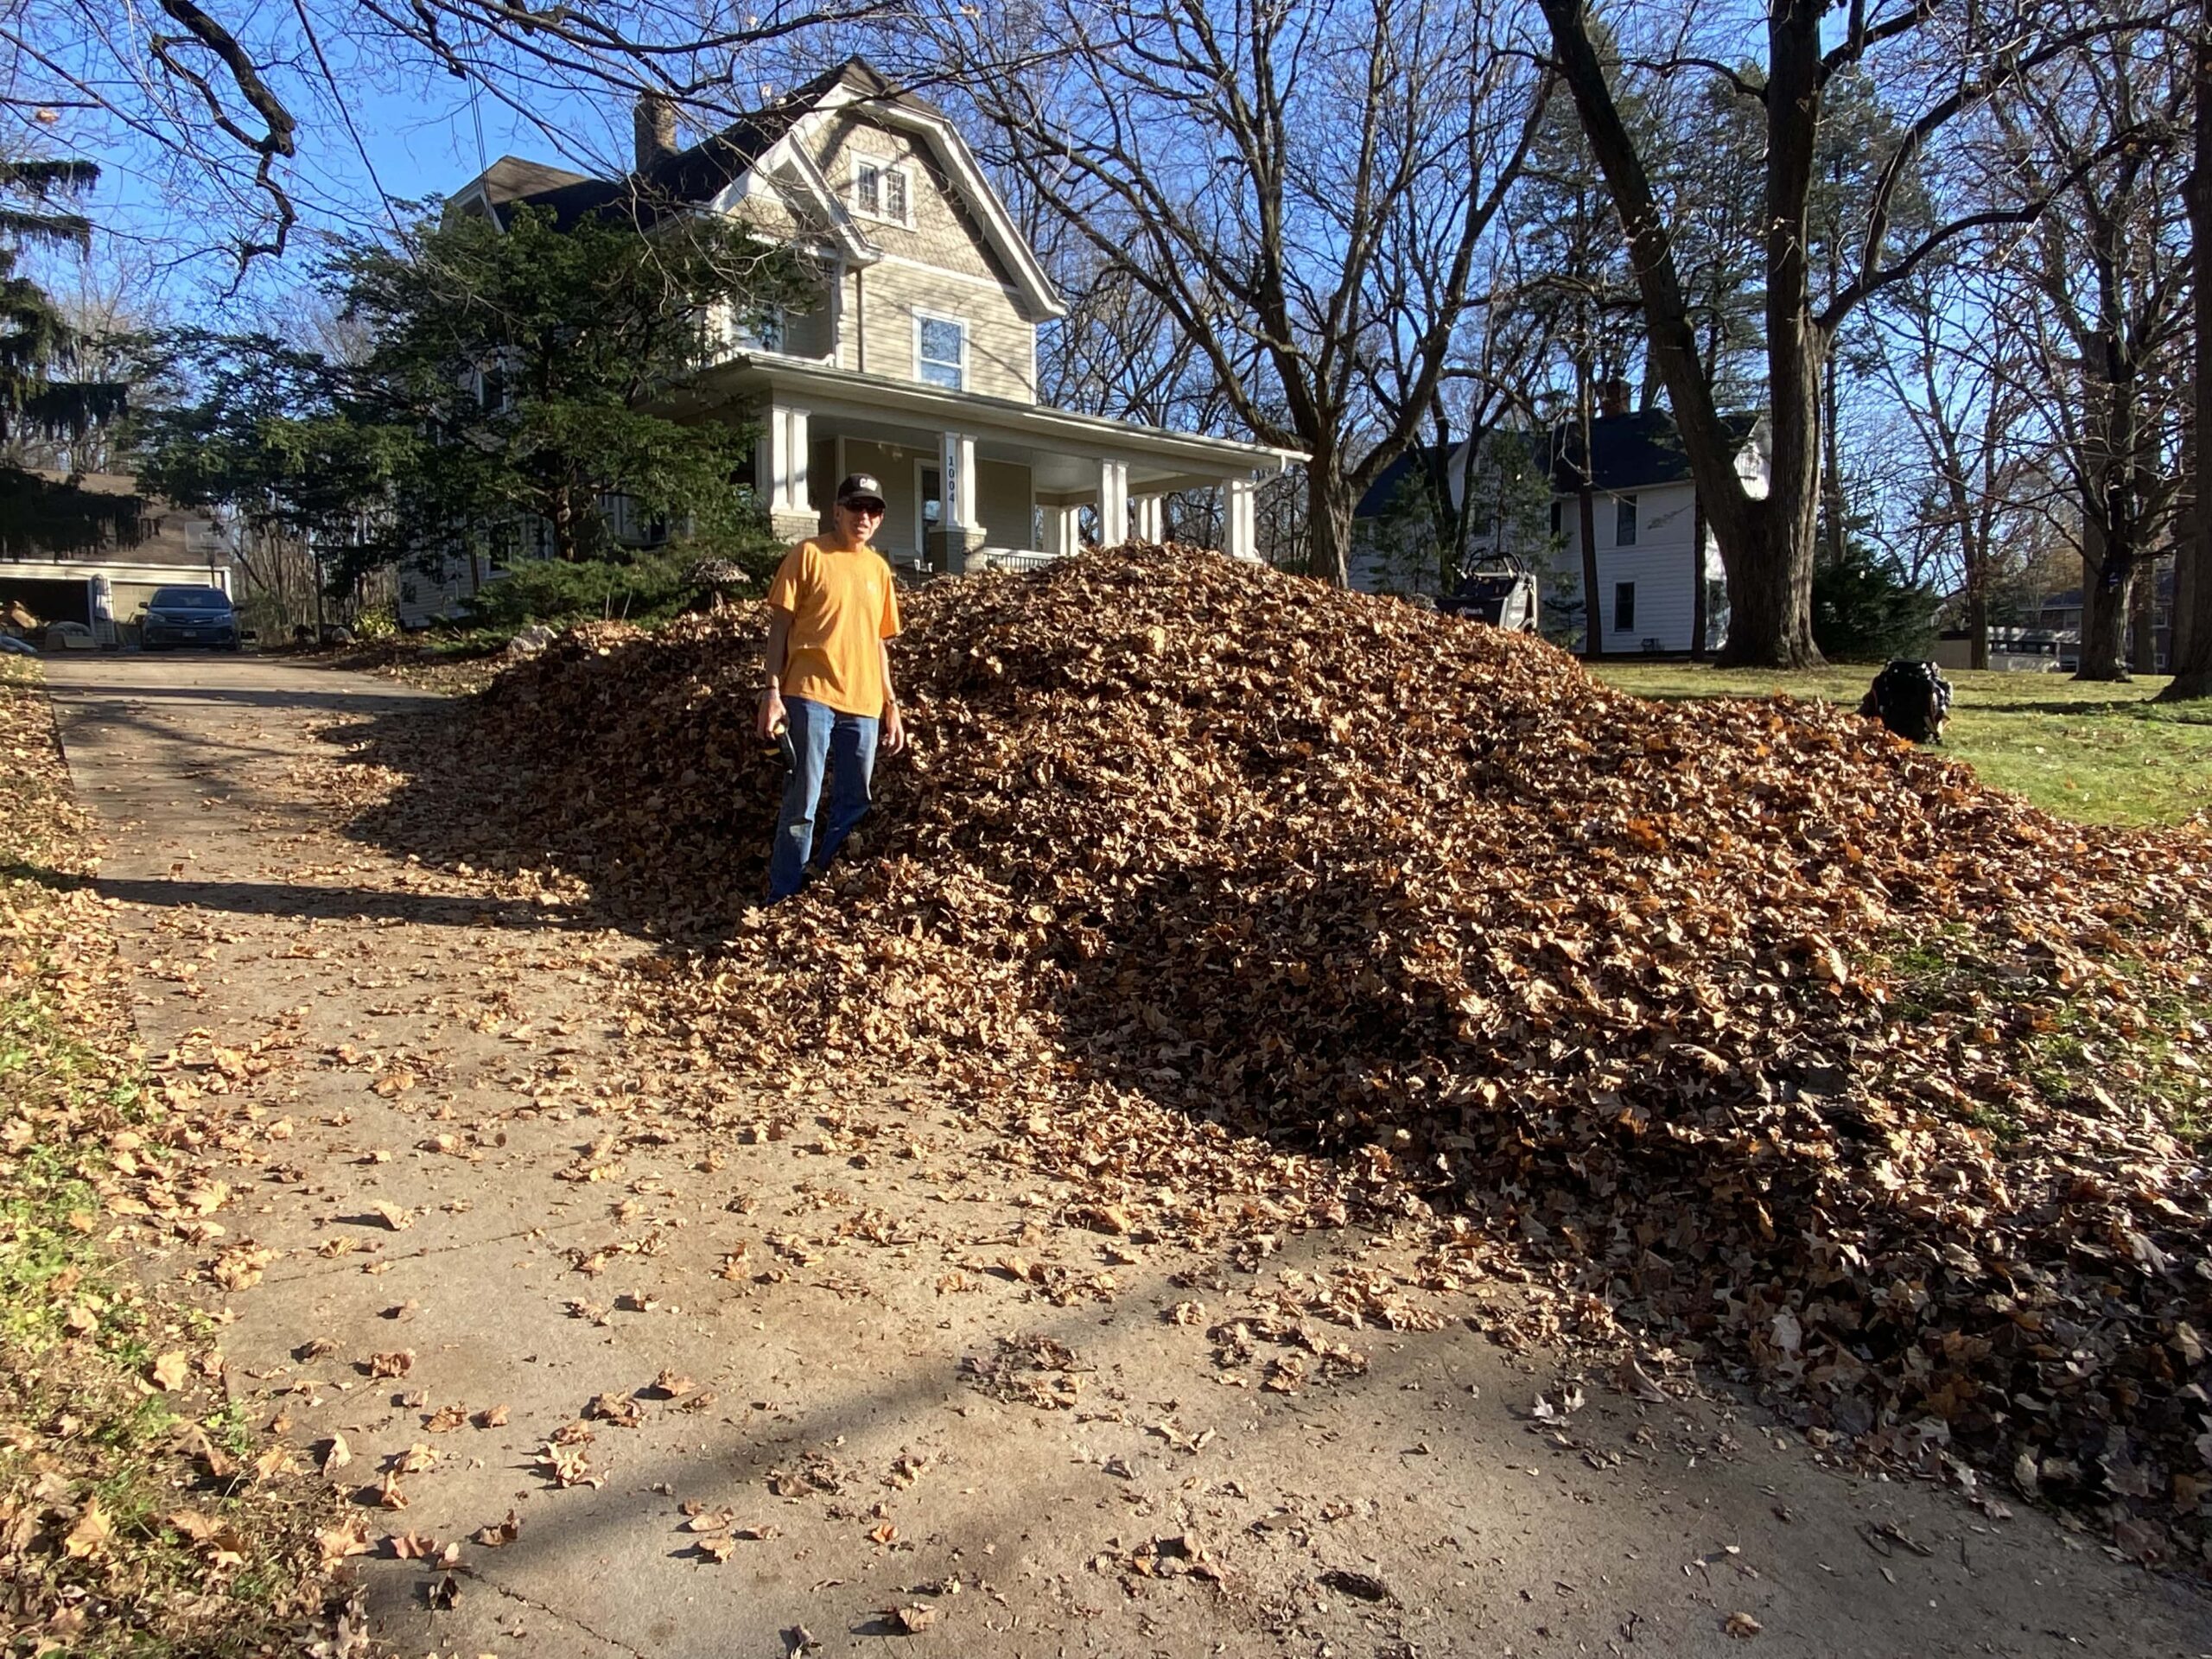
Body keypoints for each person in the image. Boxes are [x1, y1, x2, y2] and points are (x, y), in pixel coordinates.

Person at [756, 473, 906, 900]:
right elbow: (779, 627)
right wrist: (771, 693)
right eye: (856, 507)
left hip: (864, 705)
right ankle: (782, 896)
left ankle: (825, 890)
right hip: (809, 695)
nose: (864, 516)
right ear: (837, 511)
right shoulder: (808, 555)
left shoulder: (878, 569)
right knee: (803, 797)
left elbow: (878, 641)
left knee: (855, 801)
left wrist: (890, 703)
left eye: (873, 509)